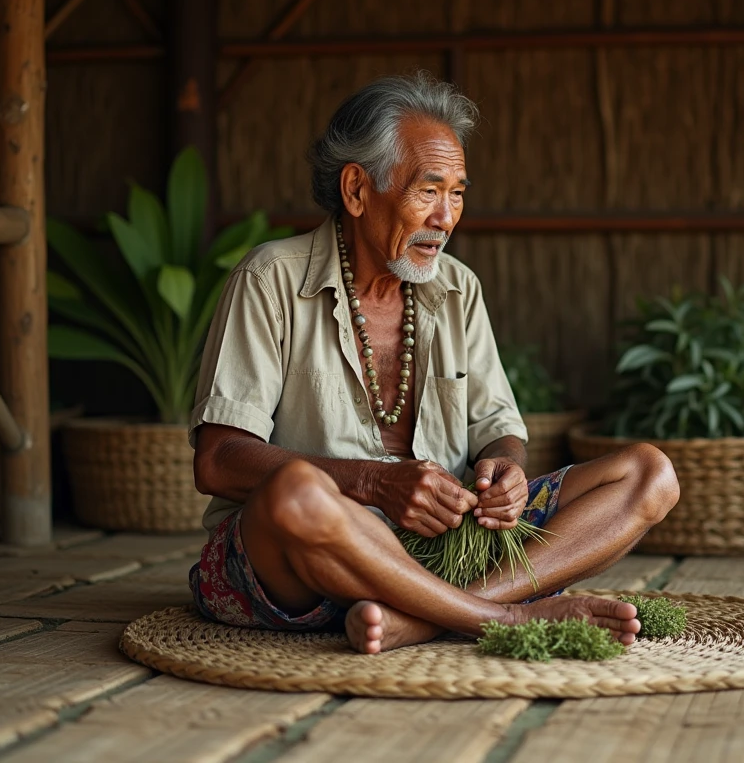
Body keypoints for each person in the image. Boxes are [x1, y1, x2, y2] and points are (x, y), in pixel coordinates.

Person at [188, 72, 680, 654]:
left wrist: (506, 472)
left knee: (650, 473)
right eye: (428, 191)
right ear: (356, 190)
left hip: (450, 545)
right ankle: (506, 616)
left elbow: (498, 431)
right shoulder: (270, 278)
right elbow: (218, 462)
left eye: (458, 193)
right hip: (313, 554)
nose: (446, 217)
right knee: (297, 491)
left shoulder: (457, 288)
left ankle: (429, 618)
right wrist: (374, 482)